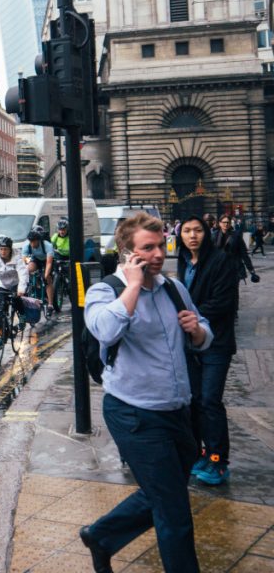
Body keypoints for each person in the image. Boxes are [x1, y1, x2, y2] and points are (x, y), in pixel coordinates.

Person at [81, 213, 212, 573]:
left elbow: (203, 330)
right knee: (174, 512)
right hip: (134, 414)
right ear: (129, 252)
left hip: (178, 411)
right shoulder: (105, 289)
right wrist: (133, 287)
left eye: (161, 246)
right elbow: (103, 330)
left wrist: (198, 332)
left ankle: (102, 535)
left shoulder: (174, 288)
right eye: (148, 248)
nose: (158, 254)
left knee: (162, 491)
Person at [176, 215, 239, 487]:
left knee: (210, 401)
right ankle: (201, 453)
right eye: (187, 231)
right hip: (191, 343)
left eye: (198, 230)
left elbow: (224, 302)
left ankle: (218, 460)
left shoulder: (221, 261)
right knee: (194, 400)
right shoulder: (183, 262)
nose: (192, 236)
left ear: (206, 233)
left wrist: (190, 316)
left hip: (217, 343)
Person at [0, 235, 29, 347]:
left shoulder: (17, 258)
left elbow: (23, 273)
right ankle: (0, 335)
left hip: (15, 285)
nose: (3, 252)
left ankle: (22, 318)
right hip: (3, 285)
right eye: (1, 249)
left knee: (17, 301)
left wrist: (21, 289)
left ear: (10, 249)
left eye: (5, 249)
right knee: (2, 310)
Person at [21, 226, 54, 316]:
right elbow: (25, 261)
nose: (32, 244)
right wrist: (28, 270)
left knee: (47, 279)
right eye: (30, 241)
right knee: (28, 269)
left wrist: (46, 275)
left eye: (34, 241)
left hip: (46, 260)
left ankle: (50, 305)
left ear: (38, 240)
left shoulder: (47, 245)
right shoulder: (27, 245)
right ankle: (34, 284)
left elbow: (49, 263)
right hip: (36, 259)